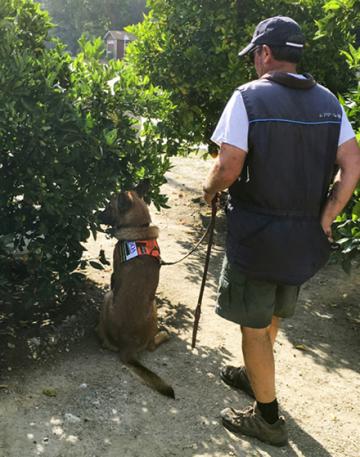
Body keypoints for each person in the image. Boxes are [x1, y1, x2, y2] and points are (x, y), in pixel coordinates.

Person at [202, 16, 360, 447]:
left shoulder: (248, 98)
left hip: (258, 235)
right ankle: (256, 374)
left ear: (266, 53)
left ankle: (268, 418)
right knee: (270, 313)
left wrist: (209, 189)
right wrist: (327, 216)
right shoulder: (329, 101)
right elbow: (353, 166)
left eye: (255, 54)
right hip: (302, 237)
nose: (254, 62)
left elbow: (228, 166)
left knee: (252, 328)